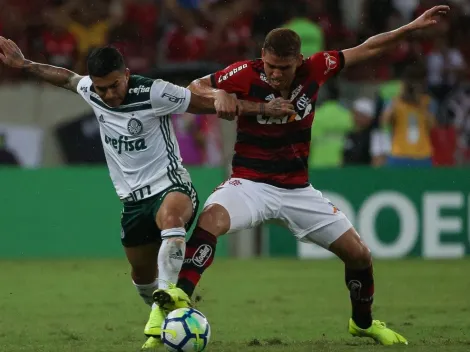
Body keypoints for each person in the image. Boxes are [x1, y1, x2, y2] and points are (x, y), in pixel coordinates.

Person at [153, 5, 450, 346]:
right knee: (210, 220)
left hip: (297, 190)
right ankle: (178, 297)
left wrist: (409, 28)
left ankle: (363, 323)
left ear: (298, 61)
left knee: (360, 255)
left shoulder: (317, 67)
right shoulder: (243, 74)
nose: (276, 74)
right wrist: (218, 92)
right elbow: (193, 87)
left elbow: (367, 48)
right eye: (270, 66)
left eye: (283, 68)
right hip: (250, 183)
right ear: (261, 57)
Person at [0, 38, 294, 350]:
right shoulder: (92, 90)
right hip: (132, 202)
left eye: (115, 85)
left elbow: (200, 102)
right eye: (102, 89)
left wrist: (260, 107)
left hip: (171, 185)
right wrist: (25, 65)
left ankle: (167, 297)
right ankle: (164, 310)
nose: (109, 94)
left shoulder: (155, 91)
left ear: (126, 74)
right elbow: (67, 78)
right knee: (142, 277)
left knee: (171, 218)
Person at [379, 64, 437, 167]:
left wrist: (420, 104)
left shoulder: (427, 102)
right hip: (399, 155)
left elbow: (432, 125)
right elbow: (384, 122)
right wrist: (398, 98)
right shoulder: (395, 102)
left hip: (422, 155)